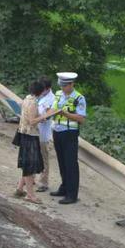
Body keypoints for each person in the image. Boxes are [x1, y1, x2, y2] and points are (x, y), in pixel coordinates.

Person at [45, 72, 86, 204]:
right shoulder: (58, 94)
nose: (62, 88)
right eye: (61, 85)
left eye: (65, 86)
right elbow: (53, 109)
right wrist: (47, 112)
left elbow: (81, 119)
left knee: (70, 164)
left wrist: (65, 113)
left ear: (72, 84)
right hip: (57, 131)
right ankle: (64, 188)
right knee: (62, 162)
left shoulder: (79, 98)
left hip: (70, 133)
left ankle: (72, 195)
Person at [14, 80, 46, 203]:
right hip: (30, 135)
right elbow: (32, 121)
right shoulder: (33, 103)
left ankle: (20, 188)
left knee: (27, 163)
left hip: (24, 133)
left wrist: (40, 118)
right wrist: (44, 116)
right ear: (41, 91)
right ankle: (30, 195)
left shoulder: (27, 99)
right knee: (30, 165)